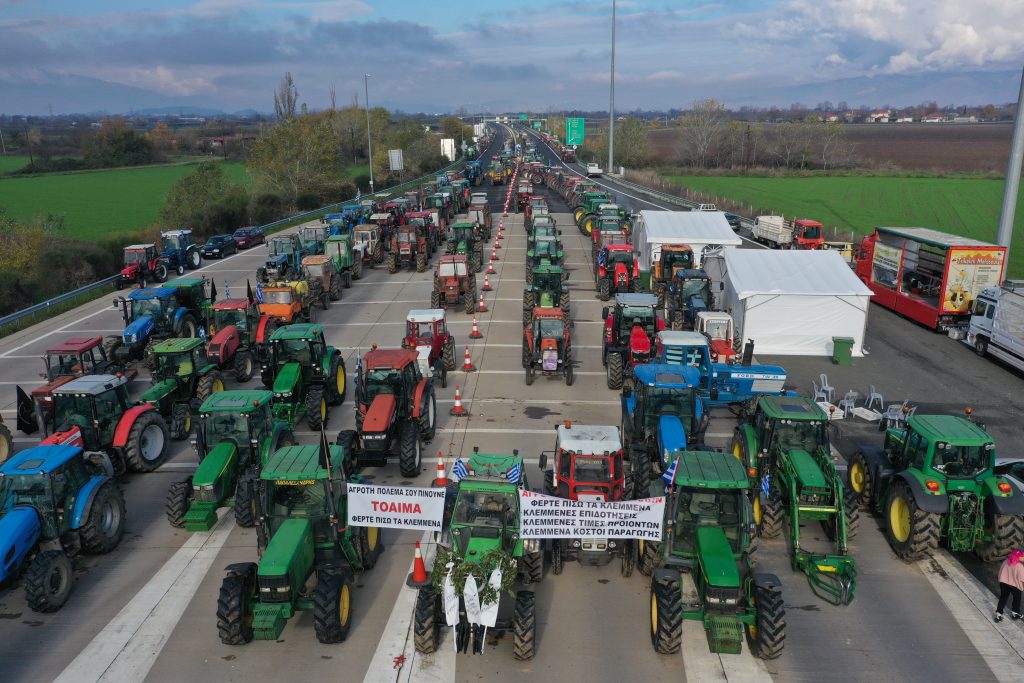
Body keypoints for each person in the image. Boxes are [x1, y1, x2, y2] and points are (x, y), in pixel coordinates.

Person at [995, 548, 1024, 622]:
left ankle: (999, 613)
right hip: (1014, 585)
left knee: (1003, 597)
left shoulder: (1006, 562)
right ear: (1018, 557)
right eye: (1023, 556)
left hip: (1003, 583)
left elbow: (1000, 571)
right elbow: (1022, 579)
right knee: (1017, 598)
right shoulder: (1020, 566)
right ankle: (1015, 613)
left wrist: (1000, 580)